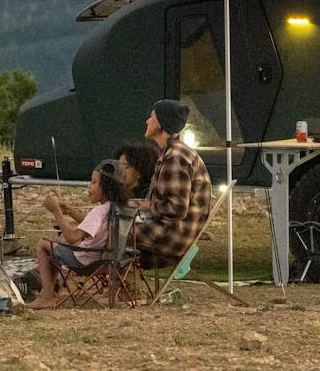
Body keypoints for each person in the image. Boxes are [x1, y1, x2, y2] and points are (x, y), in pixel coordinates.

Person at [26, 160, 128, 307]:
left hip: (86, 262)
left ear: (105, 187)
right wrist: (70, 212)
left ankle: (47, 296)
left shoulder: (98, 211)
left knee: (43, 245)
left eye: (93, 183)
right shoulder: (114, 208)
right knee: (57, 245)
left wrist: (57, 212)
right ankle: (50, 291)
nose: (89, 187)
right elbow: (93, 226)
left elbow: (73, 237)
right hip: (109, 259)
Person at [133, 98, 211, 270]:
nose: (147, 121)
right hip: (171, 230)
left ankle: (72, 256)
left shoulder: (175, 157)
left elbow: (176, 209)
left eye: (152, 117)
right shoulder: (172, 152)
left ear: (161, 124)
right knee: (113, 218)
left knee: (112, 230)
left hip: (172, 238)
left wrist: (148, 206)